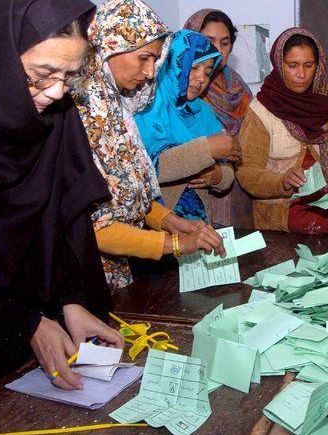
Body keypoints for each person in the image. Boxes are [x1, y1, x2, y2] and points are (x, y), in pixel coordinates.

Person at [0, 0, 124, 402]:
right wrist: (24, 322)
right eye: (40, 76)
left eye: (69, 77)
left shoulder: (52, 120)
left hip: (26, 358)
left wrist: (71, 300)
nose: (54, 93)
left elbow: (57, 223)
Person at [73, 0, 225, 292]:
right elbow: (97, 228)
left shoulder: (118, 106)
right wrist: (175, 243)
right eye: (144, 58)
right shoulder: (86, 112)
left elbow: (128, 199)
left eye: (155, 60)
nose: (151, 72)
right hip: (88, 273)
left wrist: (168, 220)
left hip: (118, 269)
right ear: (111, 44)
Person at [235, 28, 328, 234]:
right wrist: (282, 180)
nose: (301, 74)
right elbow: (247, 173)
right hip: (285, 208)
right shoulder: (261, 109)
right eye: (292, 65)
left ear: (319, 65)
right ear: (279, 65)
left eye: (309, 65)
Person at [135, 29, 240, 223]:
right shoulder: (146, 105)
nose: (201, 79)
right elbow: (146, 169)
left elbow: (228, 170)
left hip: (199, 223)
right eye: (193, 68)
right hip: (156, 224)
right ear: (171, 64)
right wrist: (206, 149)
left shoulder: (204, 111)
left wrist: (217, 176)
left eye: (208, 72)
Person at [184, 9, 255, 229]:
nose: (217, 50)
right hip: (192, 190)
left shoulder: (236, 85)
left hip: (238, 186)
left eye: (225, 43)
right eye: (209, 41)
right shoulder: (180, 86)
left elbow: (251, 140)